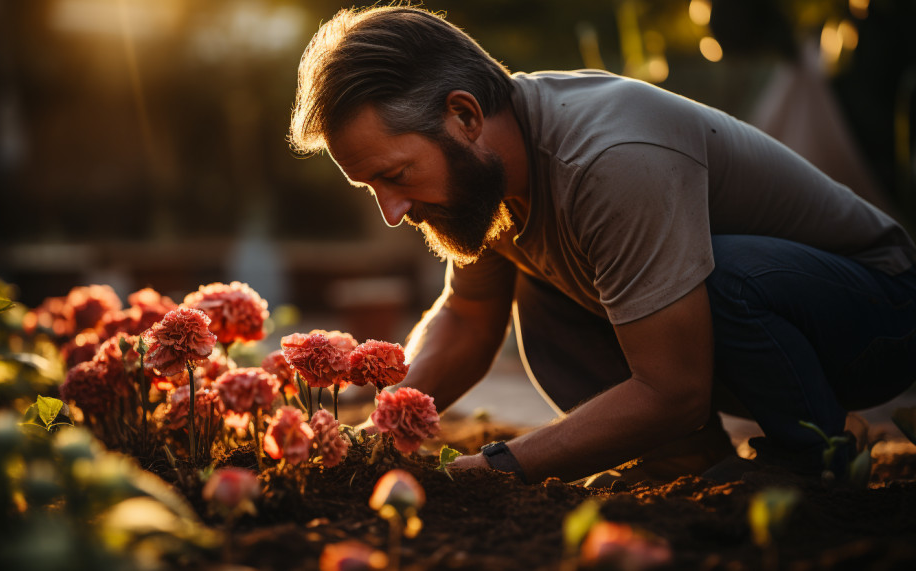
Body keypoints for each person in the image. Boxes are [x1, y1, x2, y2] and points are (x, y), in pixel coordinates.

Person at [288, 6, 916, 483]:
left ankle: (815, 456)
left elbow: (675, 389)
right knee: (541, 285)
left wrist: (492, 467)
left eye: (395, 177)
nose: (393, 211)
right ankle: (687, 457)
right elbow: (468, 318)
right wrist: (378, 434)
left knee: (723, 277)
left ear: (465, 116)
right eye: (372, 187)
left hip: (876, 319)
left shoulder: (611, 159)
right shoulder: (486, 180)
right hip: (754, 336)